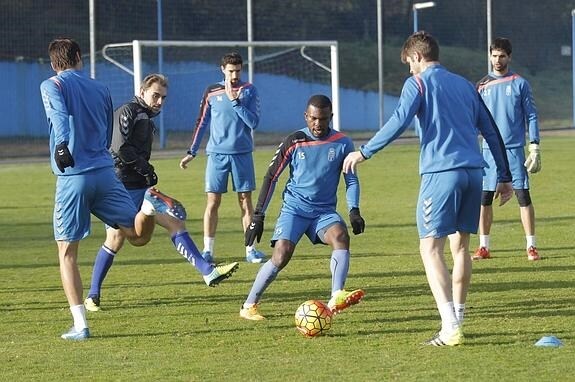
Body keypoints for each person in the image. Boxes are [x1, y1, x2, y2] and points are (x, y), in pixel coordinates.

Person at [342, 32, 514, 346]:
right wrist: (505, 176)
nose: (409, 70)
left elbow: (398, 120)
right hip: (474, 174)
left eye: (409, 63)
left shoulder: (418, 84)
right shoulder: (465, 84)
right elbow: (490, 129)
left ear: (418, 57)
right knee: (460, 247)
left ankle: (449, 328)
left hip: (441, 174)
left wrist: (364, 152)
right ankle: (457, 320)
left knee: (429, 248)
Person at [40, 38, 187, 340]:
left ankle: (81, 325)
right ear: (79, 57)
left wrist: (63, 145)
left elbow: (58, 116)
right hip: (107, 174)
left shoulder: (52, 85)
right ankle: (147, 207)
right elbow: (108, 132)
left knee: (67, 253)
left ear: (54, 63)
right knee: (135, 236)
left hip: (74, 177)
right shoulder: (102, 89)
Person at [83, 74, 239, 312]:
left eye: (163, 98)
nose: (159, 101)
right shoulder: (128, 111)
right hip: (120, 187)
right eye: (155, 95)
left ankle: (207, 272)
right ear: (143, 91)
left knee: (175, 222)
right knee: (118, 239)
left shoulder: (145, 116)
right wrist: (144, 168)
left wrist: (145, 174)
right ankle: (92, 295)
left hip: (138, 186)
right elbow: (119, 147)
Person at [239, 94, 366, 321]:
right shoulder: (294, 140)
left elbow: (351, 180)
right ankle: (249, 305)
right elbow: (271, 177)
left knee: (340, 236)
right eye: (314, 118)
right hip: (294, 209)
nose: (318, 124)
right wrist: (258, 215)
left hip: (324, 212)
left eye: (323, 119)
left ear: (331, 117)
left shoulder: (342, 143)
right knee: (282, 254)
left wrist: (354, 210)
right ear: (306, 117)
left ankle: (336, 294)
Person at [179, 52, 266, 264]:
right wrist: (192, 151)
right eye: (231, 71)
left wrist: (236, 102)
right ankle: (208, 250)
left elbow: (254, 122)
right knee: (213, 202)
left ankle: (250, 249)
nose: (234, 75)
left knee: (246, 203)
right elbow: (202, 122)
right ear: (222, 70)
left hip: (242, 155)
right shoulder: (211, 92)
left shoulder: (249, 91)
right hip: (217, 155)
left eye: (238, 70)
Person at [473, 37, 541, 262]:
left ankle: (531, 246)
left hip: (514, 151)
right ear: (490, 56)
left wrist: (534, 146)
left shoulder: (520, 83)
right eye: (494, 55)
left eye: (502, 56)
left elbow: (531, 115)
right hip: (488, 153)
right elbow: (473, 119)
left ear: (509, 57)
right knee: (484, 199)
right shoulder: (481, 85)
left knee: (523, 197)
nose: (497, 60)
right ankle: (484, 247)